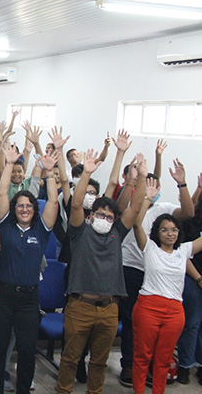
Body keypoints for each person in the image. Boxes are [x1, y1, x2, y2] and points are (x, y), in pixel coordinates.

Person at [53, 150, 146, 394]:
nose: (104, 218)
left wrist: (141, 177)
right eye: (100, 214)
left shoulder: (117, 234)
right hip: (80, 306)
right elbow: (75, 203)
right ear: (92, 215)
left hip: (109, 309)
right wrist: (86, 173)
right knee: (70, 359)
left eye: (109, 216)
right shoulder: (79, 232)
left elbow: (136, 206)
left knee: (99, 362)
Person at [0, 143, 59, 394]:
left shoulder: (41, 230)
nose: (25, 209)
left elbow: (53, 200)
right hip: (2, 295)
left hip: (29, 299)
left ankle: (23, 390)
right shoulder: (5, 225)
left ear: (34, 209)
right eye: (20, 205)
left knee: (27, 349)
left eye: (29, 205)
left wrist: (49, 173)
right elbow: (1, 193)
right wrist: (8, 164)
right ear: (14, 208)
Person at [131, 176, 202, 394]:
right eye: (164, 230)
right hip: (148, 307)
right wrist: (147, 199)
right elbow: (136, 223)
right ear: (157, 232)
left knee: (163, 360)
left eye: (173, 230)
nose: (170, 233)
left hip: (174, 312)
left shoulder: (184, 250)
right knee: (142, 357)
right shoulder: (149, 248)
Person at [178, 186, 202, 385]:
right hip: (191, 277)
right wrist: (199, 279)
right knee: (192, 323)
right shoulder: (190, 223)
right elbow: (182, 255)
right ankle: (185, 365)